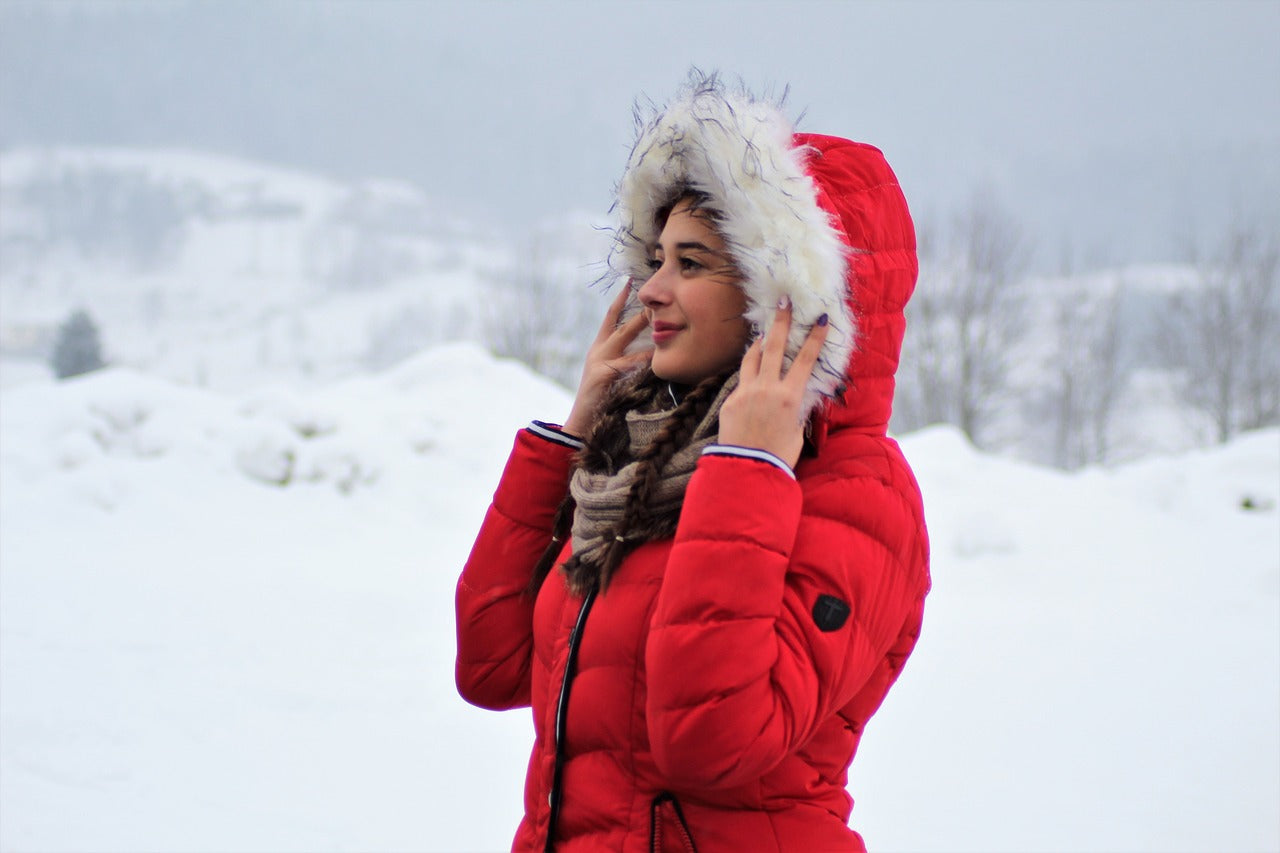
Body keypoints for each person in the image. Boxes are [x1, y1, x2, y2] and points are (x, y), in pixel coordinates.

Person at [455, 73, 930, 852]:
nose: (652, 290)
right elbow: (491, 661)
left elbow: (712, 740)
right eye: (657, 258)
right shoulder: (644, 459)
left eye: (693, 264)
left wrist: (751, 468)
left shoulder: (857, 492)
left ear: (780, 296)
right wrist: (572, 439)